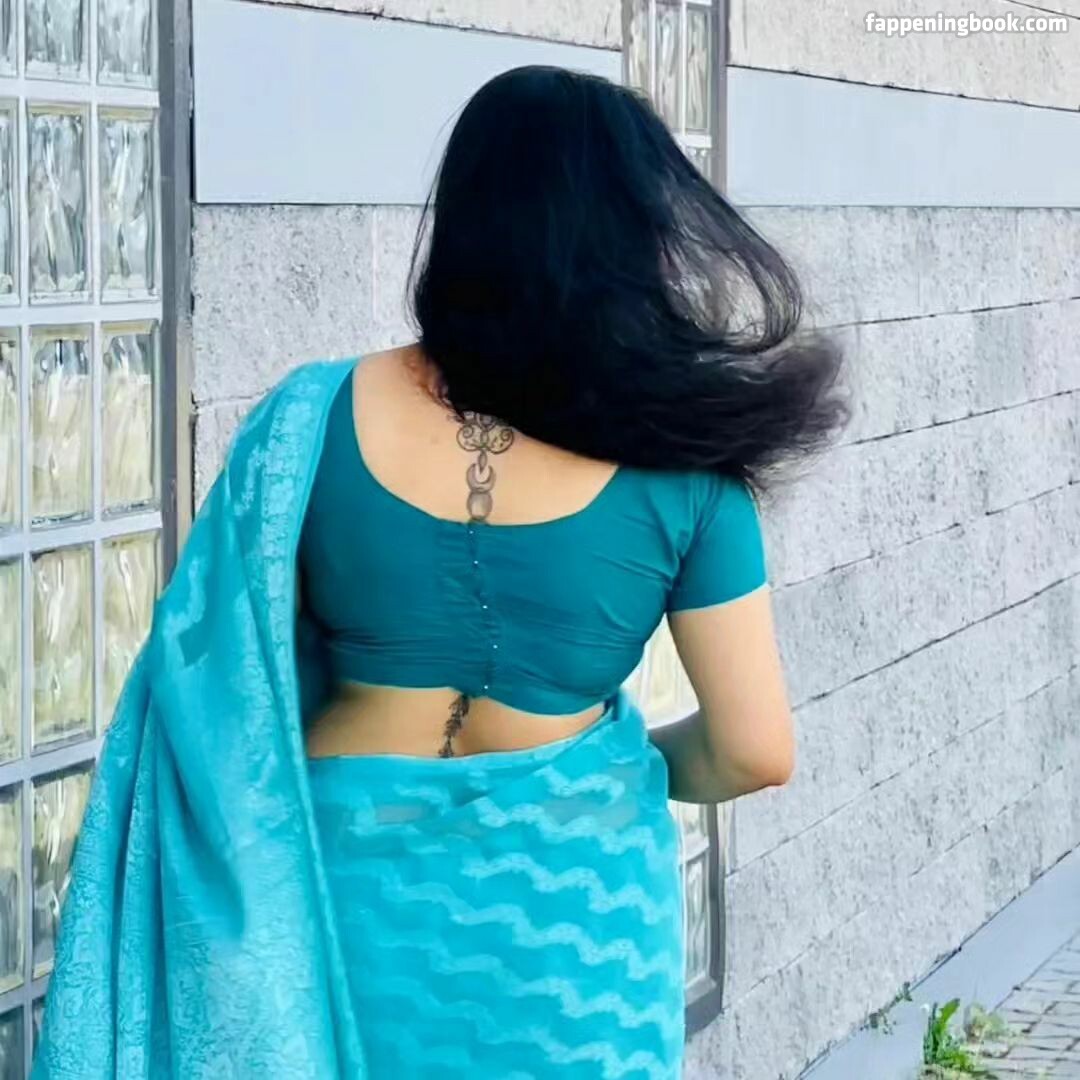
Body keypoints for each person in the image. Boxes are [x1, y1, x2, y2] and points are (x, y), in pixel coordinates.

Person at [34, 66, 849, 1079]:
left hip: (343, 894)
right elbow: (754, 749)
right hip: (572, 925)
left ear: (464, 216)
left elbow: (215, 682)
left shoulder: (308, 418)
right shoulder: (690, 470)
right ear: (640, 233)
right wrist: (599, 769)